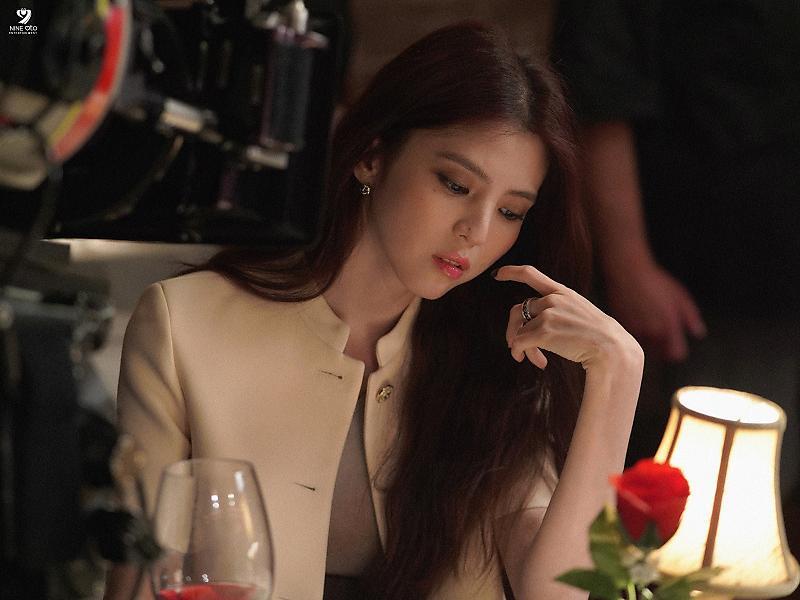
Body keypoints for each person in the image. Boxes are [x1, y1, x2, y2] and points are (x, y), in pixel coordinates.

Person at [107, 22, 644, 600]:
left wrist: (618, 371)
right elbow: (138, 583)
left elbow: (561, 593)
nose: (477, 230)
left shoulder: (502, 359)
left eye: (511, 212)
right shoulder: (184, 325)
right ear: (371, 156)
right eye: (455, 184)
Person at [553, 1, 800, 500]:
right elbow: (600, 85)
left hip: (777, 270)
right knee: (717, 493)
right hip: (712, 280)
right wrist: (629, 262)